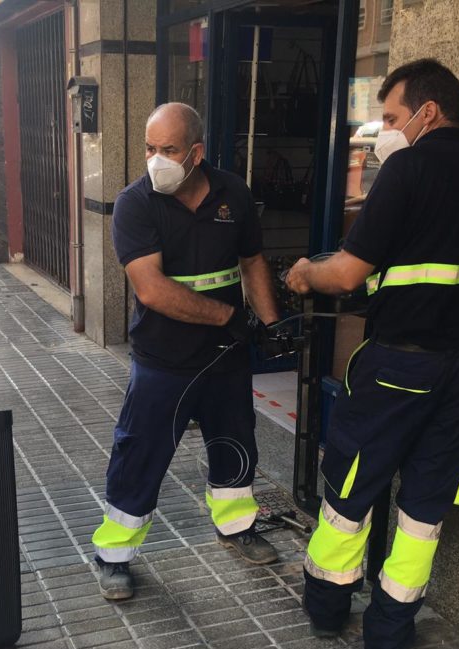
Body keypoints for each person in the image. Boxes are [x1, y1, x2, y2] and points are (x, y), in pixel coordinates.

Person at [285, 59, 459, 649]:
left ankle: (328, 607)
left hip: (398, 364)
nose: (386, 129)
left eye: (391, 117)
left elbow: (346, 273)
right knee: (427, 502)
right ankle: (390, 634)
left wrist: (305, 272)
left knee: (351, 485)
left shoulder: (407, 169)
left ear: (428, 112)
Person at [91, 102, 281, 601]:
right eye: (150, 149)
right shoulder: (136, 203)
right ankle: (113, 555)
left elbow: (252, 260)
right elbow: (151, 290)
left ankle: (238, 525)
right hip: (163, 359)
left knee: (234, 442)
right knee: (139, 453)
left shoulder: (232, 194)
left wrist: (272, 322)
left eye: (169, 150)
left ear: (196, 152)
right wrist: (228, 317)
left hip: (226, 356)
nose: (156, 160)